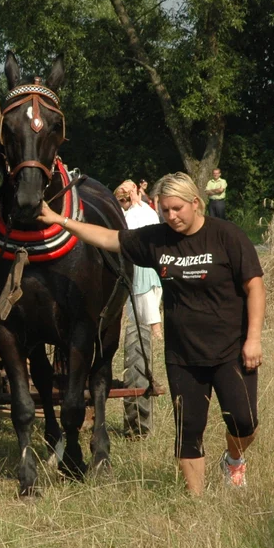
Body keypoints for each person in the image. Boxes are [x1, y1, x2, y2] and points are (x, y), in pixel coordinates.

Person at [40, 172, 264, 495]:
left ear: (196, 203)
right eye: (165, 210)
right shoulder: (157, 239)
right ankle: (197, 503)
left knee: (244, 421)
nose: (171, 217)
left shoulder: (226, 236)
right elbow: (108, 238)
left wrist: (253, 338)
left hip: (231, 349)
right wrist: (60, 220)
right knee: (188, 432)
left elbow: (254, 285)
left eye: (177, 209)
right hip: (182, 355)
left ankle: (232, 459)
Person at [114, 181, 164, 438]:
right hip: (151, 266)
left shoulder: (133, 215)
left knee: (145, 315)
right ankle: (154, 335)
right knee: (147, 311)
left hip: (141, 267)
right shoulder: (147, 211)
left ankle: (155, 336)